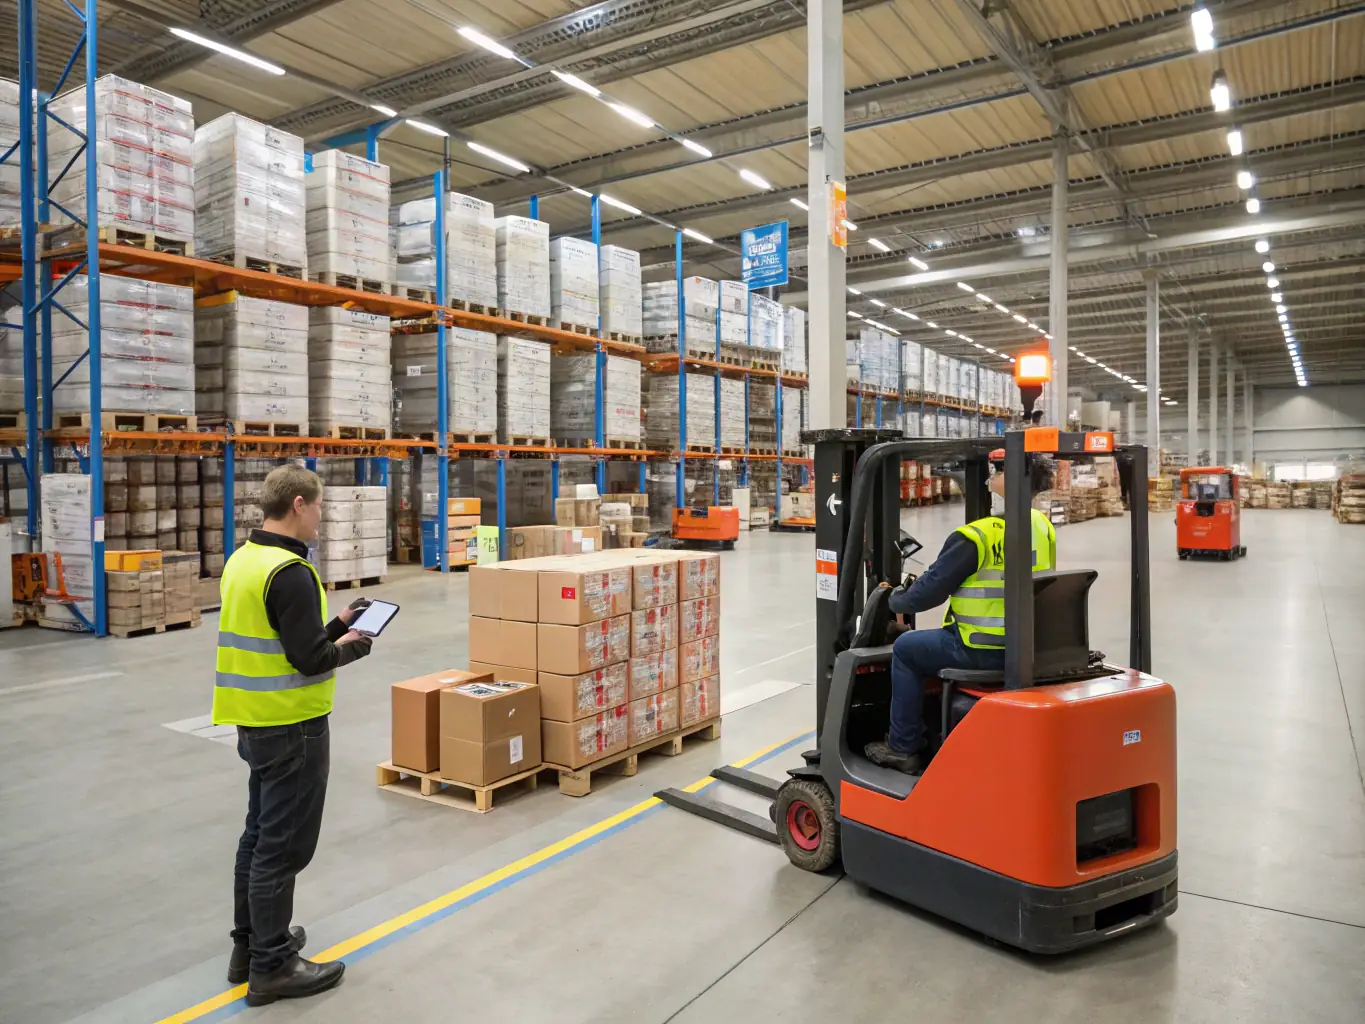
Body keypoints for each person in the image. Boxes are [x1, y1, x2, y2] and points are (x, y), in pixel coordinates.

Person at [212, 464, 375, 1006]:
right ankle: (274, 966)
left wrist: (337, 623)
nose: (321, 517)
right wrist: (354, 646)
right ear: (299, 505)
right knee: (282, 850)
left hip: (255, 721)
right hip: (293, 727)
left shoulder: (245, 560)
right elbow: (311, 660)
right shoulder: (291, 572)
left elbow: (288, 641)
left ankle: (250, 948)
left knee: (258, 838)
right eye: (319, 506)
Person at [865, 455, 1056, 774]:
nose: (990, 477)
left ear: (1012, 479)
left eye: (998, 470)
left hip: (982, 647)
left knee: (906, 650)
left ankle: (903, 747)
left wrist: (895, 600)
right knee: (919, 641)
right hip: (1026, 646)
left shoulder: (976, 536)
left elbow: (925, 595)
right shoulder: (1041, 526)